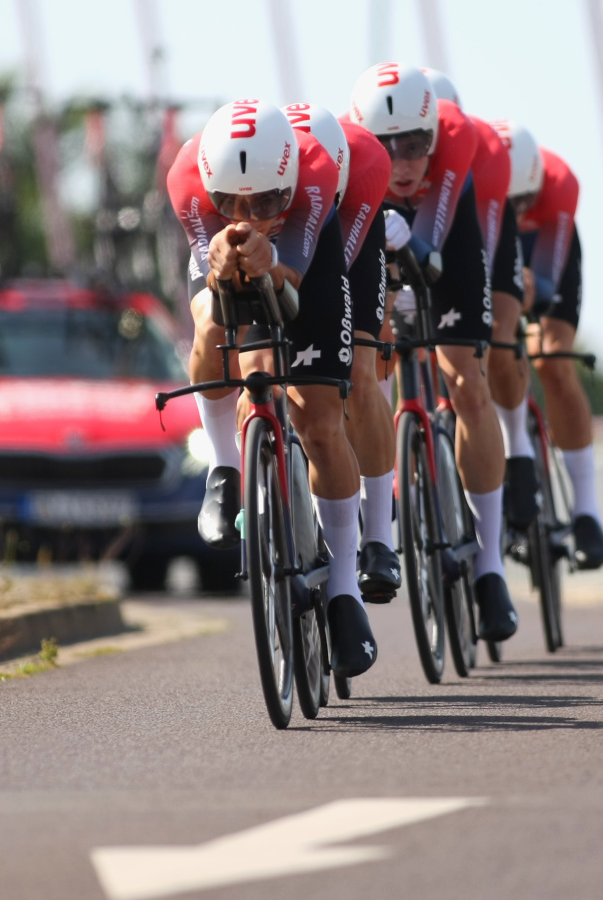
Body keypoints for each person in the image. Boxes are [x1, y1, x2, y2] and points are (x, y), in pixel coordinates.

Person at [166, 100, 377, 676]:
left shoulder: (312, 174)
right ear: (211, 191)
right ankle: (223, 467)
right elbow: (215, 293)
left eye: (267, 200)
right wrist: (222, 265)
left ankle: (342, 589)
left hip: (306, 262)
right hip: (219, 257)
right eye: (234, 202)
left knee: (320, 421)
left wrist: (270, 259)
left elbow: (289, 283)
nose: (251, 214)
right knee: (211, 324)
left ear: (288, 182)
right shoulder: (187, 179)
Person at [348, 63, 517, 643]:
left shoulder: (458, 137)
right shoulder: (350, 155)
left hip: (447, 237)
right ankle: (383, 499)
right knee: (366, 361)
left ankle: (490, 565)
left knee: (467, 380)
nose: (401, 162)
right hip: (380, 234)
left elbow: (437, 249)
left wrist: (410, 240)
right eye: (384, 148)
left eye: (416, 145)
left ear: (435, 136)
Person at [280, 102, 401, 602]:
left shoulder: (367, 163)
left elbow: (334, 274)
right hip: (285, 222)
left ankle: (378, 537)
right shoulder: (282, 176)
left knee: (359, 366)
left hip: (349, 231)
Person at [421, 70, 536, 529]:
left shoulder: (482, 150)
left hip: (473, 233)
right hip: (410, 228)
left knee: (497, 337)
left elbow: (481, 255)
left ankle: (520, 451)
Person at [493, 120, 603, 569]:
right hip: (486, 236)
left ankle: (587, 512)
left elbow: (544, 279)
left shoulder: (559, 183)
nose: (518, 211)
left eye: (524, 202)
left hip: (543, 247)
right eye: (512, 204)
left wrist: (529, 291)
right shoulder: (480, 181)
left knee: (552, 359)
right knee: (480, 348)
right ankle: (513, 445)